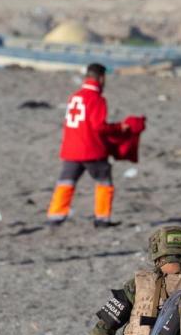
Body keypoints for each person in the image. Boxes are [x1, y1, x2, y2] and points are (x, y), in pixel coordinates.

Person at [46, 63, 129, 228]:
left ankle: (55, 216)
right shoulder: (97, 99)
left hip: (71, 149)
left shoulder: (75, 96)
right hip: (91, 149)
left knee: (66, 182)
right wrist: (119, 127)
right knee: (104, 181)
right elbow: (99, 126)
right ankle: (102, 219)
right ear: (101, 78)